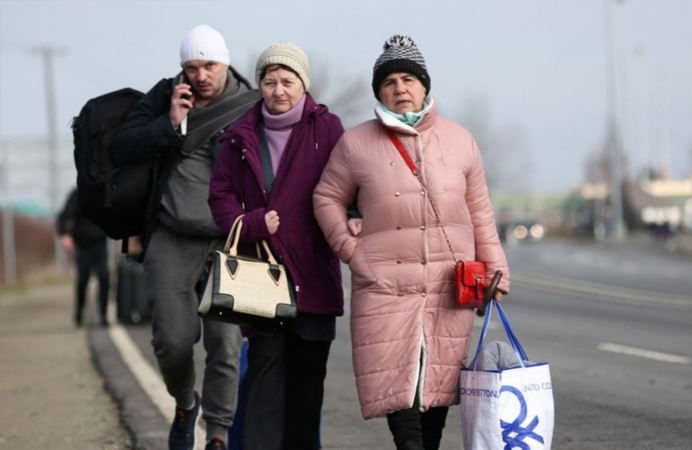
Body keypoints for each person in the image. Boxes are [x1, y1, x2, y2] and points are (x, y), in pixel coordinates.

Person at [313, 35, 510, 450]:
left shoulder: (461, 141)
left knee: (436, 387)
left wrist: (495, 272)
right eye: (389, 82)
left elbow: (480, 212)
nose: (400, 88)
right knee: (400, 396)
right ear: (379, 92)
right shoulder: (356, 144)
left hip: (447, 286)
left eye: (408, 79)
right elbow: (326, 197)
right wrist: (351, 253)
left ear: (424, 86)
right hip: (385, 287)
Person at [111, 24, 259, 450]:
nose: (200, 75)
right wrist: (170, 124)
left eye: (209, 65)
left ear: (224, 63)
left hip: (228, 241)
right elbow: (124, 147)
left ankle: (217, 432)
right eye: (191, 67)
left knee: (225, 345)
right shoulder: (163, 96)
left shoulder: (251, 104)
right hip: (172, 235)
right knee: (172, 340)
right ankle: (183, 404)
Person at [208, 42, 344, 450]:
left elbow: (349, 185)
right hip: (261, 277)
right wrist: (249, 223)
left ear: (303, 84)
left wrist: (351, 220)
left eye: (288, 81)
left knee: (306, 390)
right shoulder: (237, 137)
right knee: (264, 385)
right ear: (260, 85)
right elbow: (220, 196)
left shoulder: (329, 128)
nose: (278, 89)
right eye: (270, 81)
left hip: (315, 274)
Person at [56, 188, 110, 327]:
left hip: (100, 244)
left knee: (104, 278)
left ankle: (103, 315)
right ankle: (79, 313)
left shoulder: (105, 192)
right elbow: (63, 216)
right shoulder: (77, 193)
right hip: (83, 244)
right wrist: (65, 235)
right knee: (82, 280)